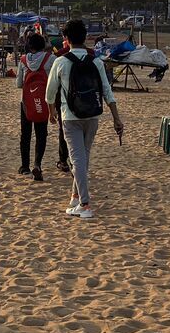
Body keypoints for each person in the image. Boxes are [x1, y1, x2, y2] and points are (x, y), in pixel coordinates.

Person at [44, 19, 124, 220]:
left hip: (70, 117)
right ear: (85, 37)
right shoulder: (96, 61)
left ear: (66, 38)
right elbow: (107, 91)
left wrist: (50, 111)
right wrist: (116, 118)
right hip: (93, 115)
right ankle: (75, 196)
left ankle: (85, 204)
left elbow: (50, 92)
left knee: (77, 159)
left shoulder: (60, 62)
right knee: (83, 157)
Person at [16, 31, 54, 179]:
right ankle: (37, 164)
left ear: (29, 47)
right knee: (41, 134)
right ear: (43, 46)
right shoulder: (50, 59)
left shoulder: (23, 60)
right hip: (43, 101)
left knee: (25, 134)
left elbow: (19, 84)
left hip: (26, 103)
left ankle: (24, 166)